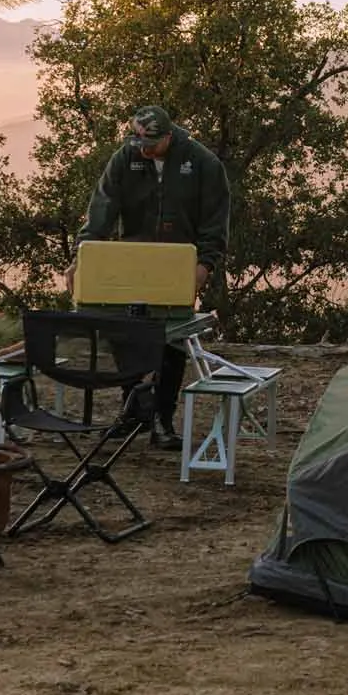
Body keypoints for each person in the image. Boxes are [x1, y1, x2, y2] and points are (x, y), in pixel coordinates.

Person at [77, 105, 231, 451]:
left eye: (151, 143)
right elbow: (100, 212)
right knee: (123, 330)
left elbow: (216, 222)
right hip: (129, 262)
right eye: (138, 141)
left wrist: (204, 266)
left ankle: (162, 418)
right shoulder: (124, 160)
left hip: (177, 265)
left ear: (169, 136)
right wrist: (83, 258)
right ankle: (132, 409)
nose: (144, 149)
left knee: (171, 338)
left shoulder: (203, 164)